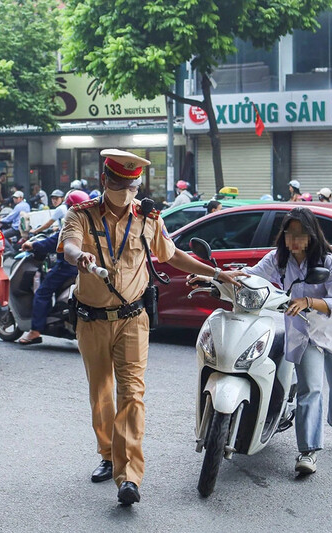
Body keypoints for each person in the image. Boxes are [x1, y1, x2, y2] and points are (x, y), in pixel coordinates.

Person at [58, 148, 243, 506]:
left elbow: (171, 254)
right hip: (91, 320)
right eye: (119, 184)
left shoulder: (148, 217)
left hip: (132, 320)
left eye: (132, 185)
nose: (126, 191)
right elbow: (68, 245)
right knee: (101, 394)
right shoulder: (80, 215)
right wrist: (78, 255)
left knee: (132, 396)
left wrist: (217, 273)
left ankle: (129, 477)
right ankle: (108, 453)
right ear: (104, 182)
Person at [240, 207, 332, 474]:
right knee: (310, 389)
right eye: (289, 233)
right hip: (305, 335)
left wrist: (308, 301)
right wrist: (226, 276)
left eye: (300, 234)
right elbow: (253, 275)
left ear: (311, 236)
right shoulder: (278, 259)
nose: (294, 240)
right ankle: (308, 451)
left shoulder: (328, 262)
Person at [16, 193, 91, 346]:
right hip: (86, 267)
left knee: (42, 293)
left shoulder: (74, 222)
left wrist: (34, 245)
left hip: (68, 267)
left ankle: (35, 331)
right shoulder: (92, 221)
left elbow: (55, 242)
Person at [0, 191, 31, 255]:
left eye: (16, 198)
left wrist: (1, 220)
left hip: (17, 228)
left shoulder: (18, 206)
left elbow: (10, 217)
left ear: (21, 198)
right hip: (24, 227)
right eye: (14, 198)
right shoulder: (27, 205)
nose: (15, 199)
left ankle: (11, 251)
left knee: (2, 236)